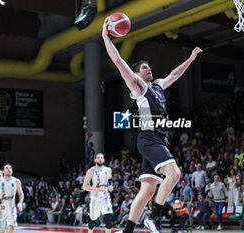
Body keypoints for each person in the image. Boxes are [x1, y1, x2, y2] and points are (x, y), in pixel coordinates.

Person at [102, 16, 202, 233]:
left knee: (147, 190)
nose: (149, 70)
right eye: (145, 68)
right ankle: (153, 216)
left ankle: (127, 230)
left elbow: (174, 75)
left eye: (149, 67)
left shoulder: (157, 85)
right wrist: (105, 37)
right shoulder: (138, 88)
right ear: (137, 74)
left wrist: (191, 59)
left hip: (157, 139)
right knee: (174, 174)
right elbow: (119, 62)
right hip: (148, 137)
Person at [83, 153, 114, 233]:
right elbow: (85, 187)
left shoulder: (108, 170)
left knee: (108, 217)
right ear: (95, 160)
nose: (100, 159)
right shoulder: (91, 171)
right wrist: (97, 189)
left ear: (103, 160)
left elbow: (109, 180)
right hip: (95, 198)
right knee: (93, 219)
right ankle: (90, 231)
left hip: (105, 197)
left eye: (102, 158)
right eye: (98, 158)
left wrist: (110, 186)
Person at [0, 163, 24, 233]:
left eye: (10, 168)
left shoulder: (16, 181)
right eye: (7, 168)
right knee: (1, 230)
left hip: (11, 207)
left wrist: (20, 203)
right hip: (0, 208)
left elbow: (21, 193)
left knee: (11, 226)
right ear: (3, 171)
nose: (9, 169)